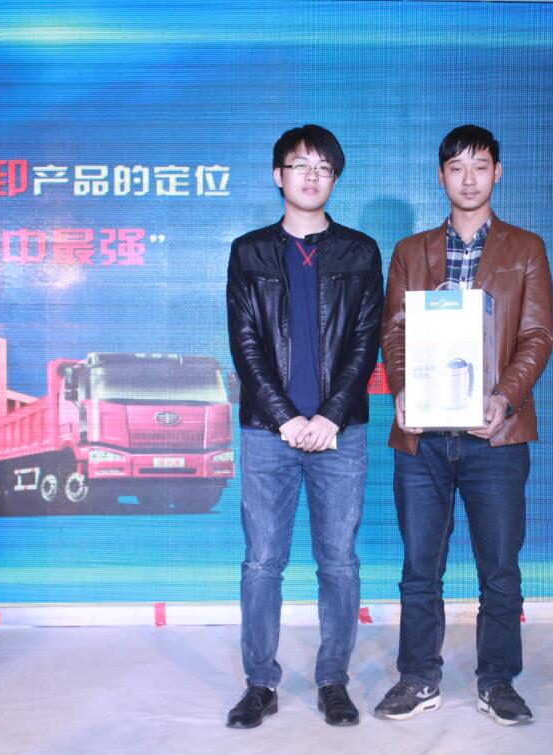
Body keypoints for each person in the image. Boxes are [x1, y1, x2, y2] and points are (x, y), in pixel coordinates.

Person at [376, 125, 553, 726]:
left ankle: (497, 681)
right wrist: (403, 388)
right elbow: (394, 332)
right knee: (418, 568)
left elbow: (537, 335)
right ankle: (417, 677)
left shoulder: (525, 248)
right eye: (457, 167)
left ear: (497, 172)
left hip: (495, 437)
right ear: (441, 176)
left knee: (499, 568)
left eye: (480, 166)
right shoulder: (411, 251)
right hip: (423, 440)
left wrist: (504, 397)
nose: (469, 178)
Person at [226, 125, 383, 728]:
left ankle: (333, 680)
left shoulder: (359, 252)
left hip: (341, 434)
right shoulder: (250, 252)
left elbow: (365, 344)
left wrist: (329, 416)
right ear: (278, 176)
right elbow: (245, 344)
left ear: (335, 179)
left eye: (323, 167)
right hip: (268, 434)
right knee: (262, 562)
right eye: (299, 165)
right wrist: (287, 418)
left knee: (339, 562)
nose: (311, 176)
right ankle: (259, 683)